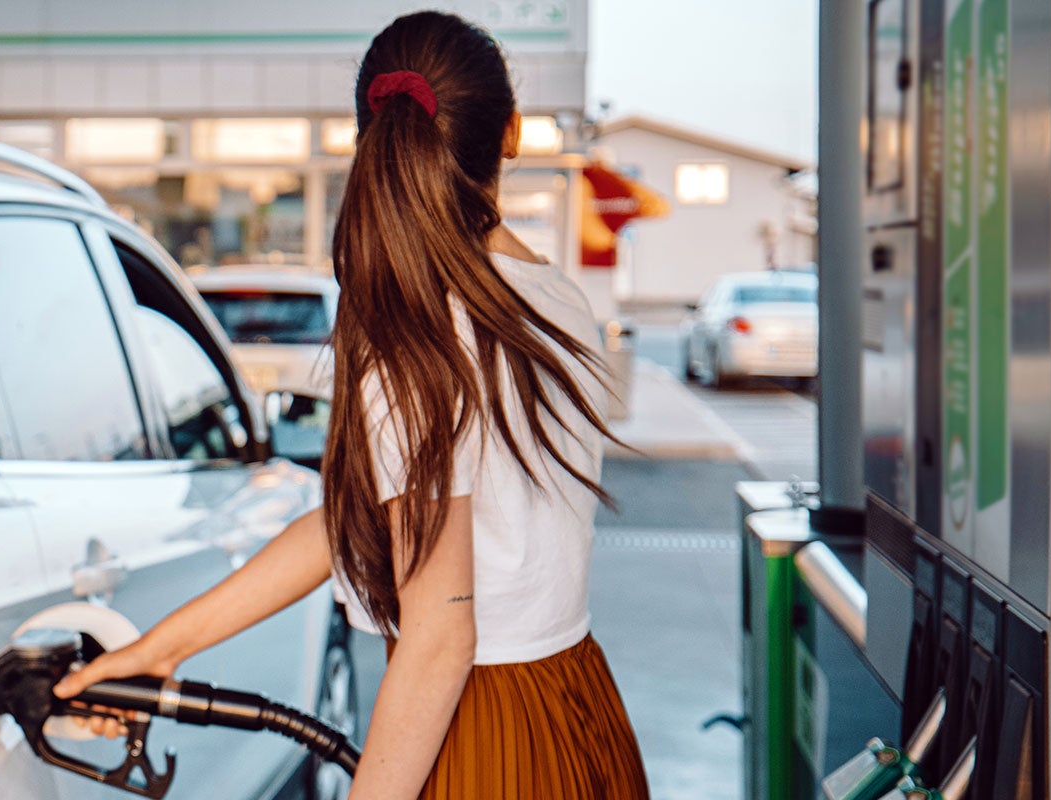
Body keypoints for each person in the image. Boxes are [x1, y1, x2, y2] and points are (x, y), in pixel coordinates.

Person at [53, 11, 649, 799]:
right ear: (511, 133)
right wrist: (165, 648)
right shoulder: (555, 302)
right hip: (580, 700)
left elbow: (440, 633)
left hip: (479, 724)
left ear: (372, 132)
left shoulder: (415, 334)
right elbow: (361, 521)